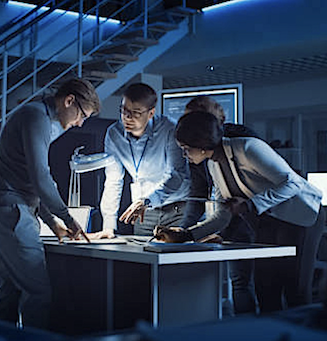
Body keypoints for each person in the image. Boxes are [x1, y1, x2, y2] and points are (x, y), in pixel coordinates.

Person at [155, 111, 325, 314]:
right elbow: (222, 214)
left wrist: (250, 205)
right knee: (266, 289)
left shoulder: (248, 147)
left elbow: (293, 182)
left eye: (186, 149)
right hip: (269, 222)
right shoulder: (213, 164)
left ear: (202, 145)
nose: (185, 154)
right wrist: (186, 235)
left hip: (301, 217)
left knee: (295, 290)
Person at [0, 78, 100, 329]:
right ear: (69, 101)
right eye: (82, 115)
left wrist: (52, 222)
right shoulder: (36, 118)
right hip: (11, 212)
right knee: (39, 294)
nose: (80, 123)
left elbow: (29, 180)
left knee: (9, 294)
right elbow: (40, 177)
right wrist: (67, 219)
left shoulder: (36, 116)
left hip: (4, 210)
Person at [181, 96, 259, 315]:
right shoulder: (194, 146)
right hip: (225, 216)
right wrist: (184, 231)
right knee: (238, 283)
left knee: (253, 284)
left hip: (255, 216)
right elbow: (198, 191)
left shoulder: (242, 138)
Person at [95, 82, 189, 238]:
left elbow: (176, 175)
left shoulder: (170, 129)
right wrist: (108, 226)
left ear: (151, 113)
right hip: (144, 213)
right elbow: (113, 180)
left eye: (136, 112)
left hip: (177, 209)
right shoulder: (114, 134)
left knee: (176, 258)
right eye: (124, 111)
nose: (127, 118)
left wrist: (147, 200)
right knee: (142, 257)